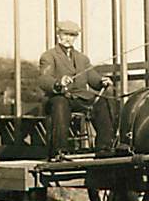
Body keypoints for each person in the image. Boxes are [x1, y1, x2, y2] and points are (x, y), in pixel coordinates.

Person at [39, 20, 116, 158]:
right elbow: (44, 79)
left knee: (104, 102)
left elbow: (93, 78)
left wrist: (102, 81)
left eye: (72, 35)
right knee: (60, 104)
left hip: (81, 98)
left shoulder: (82, 58)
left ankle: (104, 148)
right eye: (65, 34)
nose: (69, 38)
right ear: (58, 35)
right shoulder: (49, 56)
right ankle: (60, 151)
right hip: (60, 97)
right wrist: (58, 83)